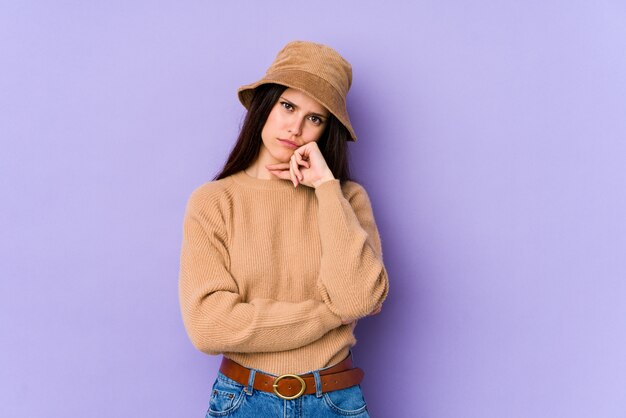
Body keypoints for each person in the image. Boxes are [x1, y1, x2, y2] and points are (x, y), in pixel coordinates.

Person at [178, 40, 389, 417]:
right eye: (288, 106)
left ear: (327, 130)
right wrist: (328, 314)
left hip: (334, 401)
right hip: (242, 400)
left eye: (315, 118)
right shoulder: (214, 201)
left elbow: (358, 299)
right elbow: (209, 327)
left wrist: (326, 188)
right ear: (265, 107)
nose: (296, 127)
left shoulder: (347, 199)